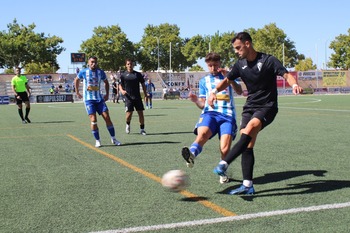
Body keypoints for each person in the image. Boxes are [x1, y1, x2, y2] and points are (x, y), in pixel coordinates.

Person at [209, 32, 303, 195]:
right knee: (248, 144)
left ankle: (224, 163)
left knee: (249, 129)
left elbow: (286, 74)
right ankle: (247, 185)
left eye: (238, 48)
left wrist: (294, 85)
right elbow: (228, 80)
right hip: (250, 107)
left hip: (268, 106)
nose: (237, 51)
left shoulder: (268, 60)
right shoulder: (240, 64)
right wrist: (214, 91)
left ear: (247, 44)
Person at [181, 52, 242, 184]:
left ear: (220, 64)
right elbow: (203, 104)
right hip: (210, 114)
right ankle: (191, 155)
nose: (213, 68)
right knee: (202, 134)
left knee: (225, 149)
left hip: (227, 115)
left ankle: (223, 171)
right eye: (210, 66)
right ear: (207, 66)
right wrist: (196, 100)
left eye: (215, 65)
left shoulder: (229, 76)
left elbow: (239, 91)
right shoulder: (204, 81)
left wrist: (229, 78)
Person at [74, 56, 121, 147]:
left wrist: (107, 94)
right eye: (91, 62)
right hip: (89, 100)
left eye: (95, 62)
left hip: (99, 99)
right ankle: (97, 140)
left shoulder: (100, 72)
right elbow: (76, 79)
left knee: (107, 118)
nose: (93, 64)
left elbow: (106, 82)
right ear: (88, 62)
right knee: (93, 119)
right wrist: (77, 92)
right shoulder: (84, 71)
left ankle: (114, 139)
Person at [119, 58, 148, 135]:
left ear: (133, 65)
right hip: (128, 98)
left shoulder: (138, 74)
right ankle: (128, 124)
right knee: (129, 114)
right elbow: (120, 85)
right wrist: (122, 91)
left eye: (131, 64)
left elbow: (143, 85)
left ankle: (142, 129)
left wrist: (145, 94)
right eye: (128, 64)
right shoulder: (123, 75)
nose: (130, 65)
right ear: (126, 65)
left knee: (140, 113)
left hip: (137, 97)